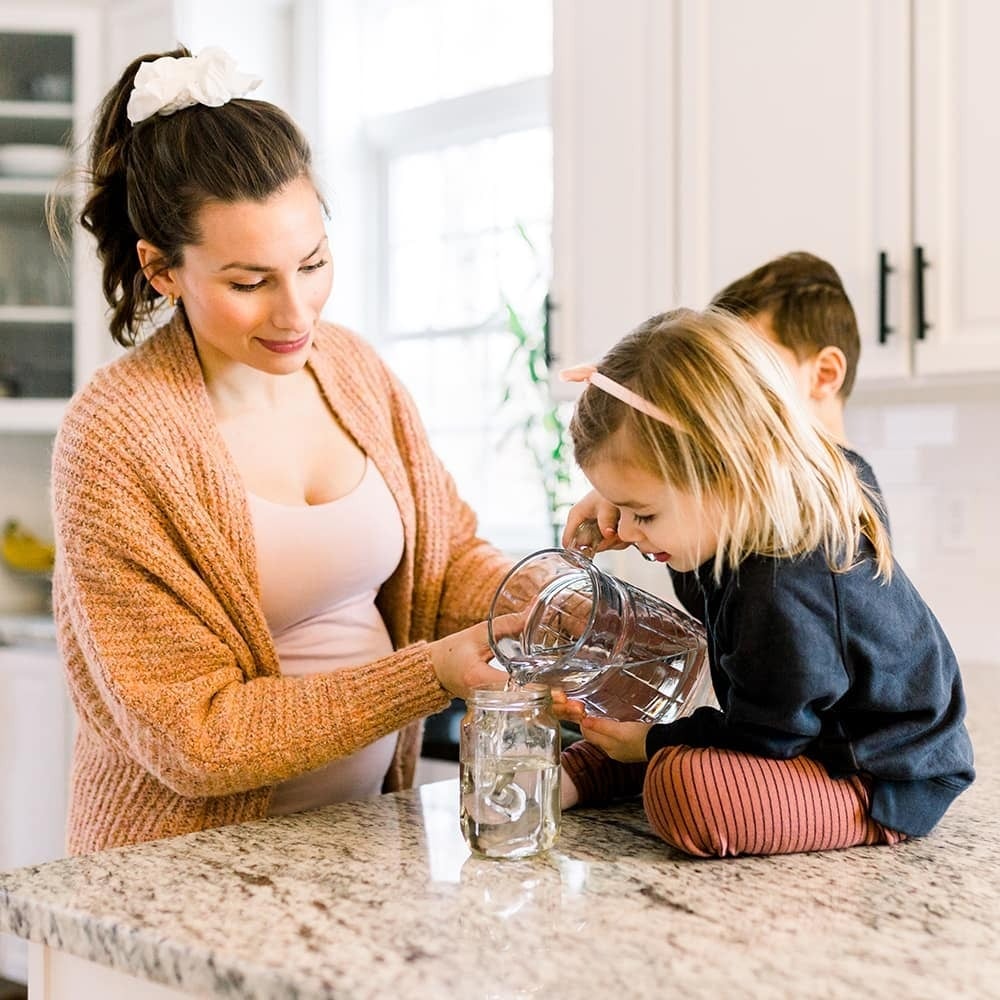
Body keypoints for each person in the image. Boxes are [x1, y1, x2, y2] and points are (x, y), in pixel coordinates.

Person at [51, 46, 513, 855]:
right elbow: (193, 735)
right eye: (249, 281)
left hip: (359, 846)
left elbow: (444, 566)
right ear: (163, 269)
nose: (296, 311)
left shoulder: (353, 369)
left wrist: (549, 598)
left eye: (313, 262)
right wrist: (430, 676)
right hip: (181, 868)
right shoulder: (114, 439)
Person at [553, 307, 973, 858]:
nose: (628, 531)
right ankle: (628, 755)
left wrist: (656, 743)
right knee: (653, 731)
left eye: (644, 514)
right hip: (796, 733)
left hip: (881, 776)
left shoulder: (784, 586)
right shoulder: (743, 520)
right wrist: (634, 499)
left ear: (724, 472)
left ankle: (634, 761)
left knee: (685, 790)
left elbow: (767, 735)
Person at [563, 251, 887, 614]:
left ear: (825, 374)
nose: (721, 396)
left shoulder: (832, 498)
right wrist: (640, 489)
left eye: (748, 367)